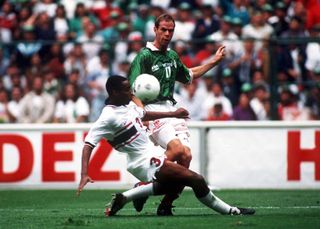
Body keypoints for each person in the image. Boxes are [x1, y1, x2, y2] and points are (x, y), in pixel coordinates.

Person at [77, 75, 255, 217]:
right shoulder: (107, 116)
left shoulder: (127, 105)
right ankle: (232, 211)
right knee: (196, 180)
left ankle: (126, 198)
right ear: (114, 92)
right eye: (126, 90)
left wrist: (173, 114)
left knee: (172, 186)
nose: (131, 92)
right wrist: (85, 173)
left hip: (152, 154)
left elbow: (144, 114)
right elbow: (88, 143)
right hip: (144, 161)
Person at [128, 13, 226, 215]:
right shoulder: (144, 56)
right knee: (177, 150)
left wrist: (215, 61)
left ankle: (165, 204)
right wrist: (142, 114)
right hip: (154, 111)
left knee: (186, 157)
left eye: (170, 30)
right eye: (163, 29)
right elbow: (132, 89)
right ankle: (144, 184)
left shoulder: (172, 56)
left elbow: (190, 75)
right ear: (155, 30)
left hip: (172, 110)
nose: (167, 34)